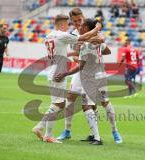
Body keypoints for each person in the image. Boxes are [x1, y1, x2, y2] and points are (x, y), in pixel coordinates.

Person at [32, 14, 102, 144]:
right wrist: (97, 28)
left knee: (59, 103)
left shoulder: (48, 36)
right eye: (66, 24)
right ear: (62, 24)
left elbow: (70, 45)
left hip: (52, 69)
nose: (68, 26)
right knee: (58, 104)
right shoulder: (62, 35)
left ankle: (40, 127)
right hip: (59, 72)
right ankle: (47, 135)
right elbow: (84, 37)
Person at [57, 8, 122, 144]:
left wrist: (89, 50)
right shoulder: (74, 33)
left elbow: (102, 40)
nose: (77, 23)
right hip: (82, 71)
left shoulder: (89, 28)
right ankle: (67, 131)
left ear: (83, 18)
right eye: (74, 21)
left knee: (101, 102)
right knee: (71, 97)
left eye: (79, 20)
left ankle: (113, 131)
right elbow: (77, 53)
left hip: (91, 71)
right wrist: (78, 52)